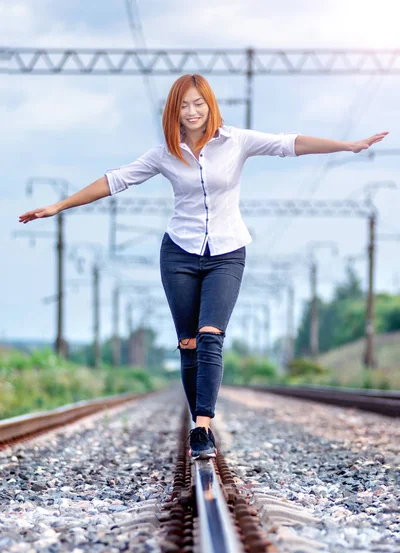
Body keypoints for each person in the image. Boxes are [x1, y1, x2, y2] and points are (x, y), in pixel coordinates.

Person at [19, 74, 388, 460]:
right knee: (189, 344)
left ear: (210, 105)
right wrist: (58, 207)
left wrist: (347, 145)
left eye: (199, 103)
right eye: (184, 105)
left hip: (227, 252)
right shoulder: (165, 152)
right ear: (174, 111)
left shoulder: (236, 141)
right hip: (178, 253)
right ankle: (199, 421)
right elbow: (115, 180)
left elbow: (289, 143)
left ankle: (202, 427)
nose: (192, 111)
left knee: (211, 335)